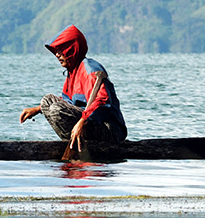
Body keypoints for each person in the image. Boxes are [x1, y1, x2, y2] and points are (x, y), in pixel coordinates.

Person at [20, 25, 126, 153]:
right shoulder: (72, 72)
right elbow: (67, 102)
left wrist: (82, 122)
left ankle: (77, 148)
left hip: (110, 130)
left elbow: (102, 102)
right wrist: (38, 109)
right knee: (47, 101)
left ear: (72, 50)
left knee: (56, 109)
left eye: (61, 51)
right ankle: (72, 142)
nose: (57, 55)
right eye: (56, 52)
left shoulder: (90, 70)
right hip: (89, 123)